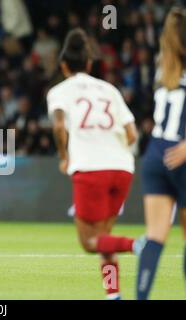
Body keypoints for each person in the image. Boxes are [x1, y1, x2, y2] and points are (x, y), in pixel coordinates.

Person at [47, 28, 142, 299]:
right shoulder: (109, 89)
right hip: (123, 169)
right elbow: (132, 133)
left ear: (64, 65)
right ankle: (113, 294)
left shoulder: (59, 91)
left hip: (91, 168)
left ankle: (140, 244)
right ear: (89, 64)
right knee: (104, 238)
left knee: (89, 242)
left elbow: (59, 125)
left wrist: (64, 156)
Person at [136, 7, 186, 300]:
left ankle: (141, 297)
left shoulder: (161, 66)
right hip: (181, 153)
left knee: (155, 237)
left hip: (155, 155)